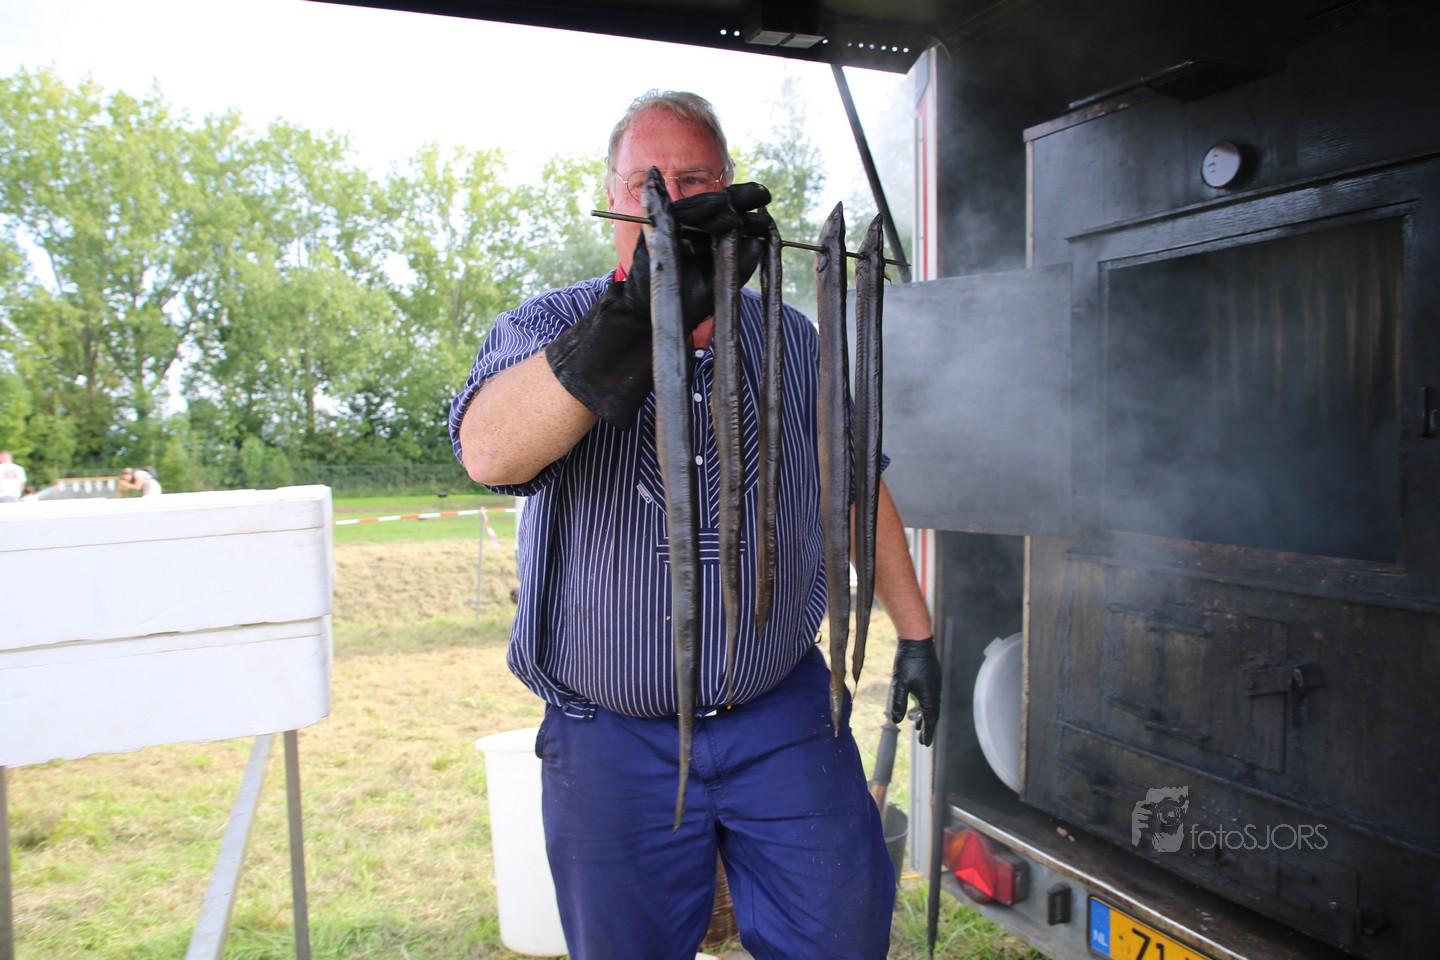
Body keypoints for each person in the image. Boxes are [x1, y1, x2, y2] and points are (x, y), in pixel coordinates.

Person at [449, 90, 939, 960]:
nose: (669, 201)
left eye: (694, 179)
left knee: (840, 937)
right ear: (613, 198)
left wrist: (916, 634)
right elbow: (491, 453)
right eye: (648, 182)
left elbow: (856, 488)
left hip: (780, 715)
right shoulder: (548, 326)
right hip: (610, 736)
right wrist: (633, 316)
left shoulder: (790, 338)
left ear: (729, 194)